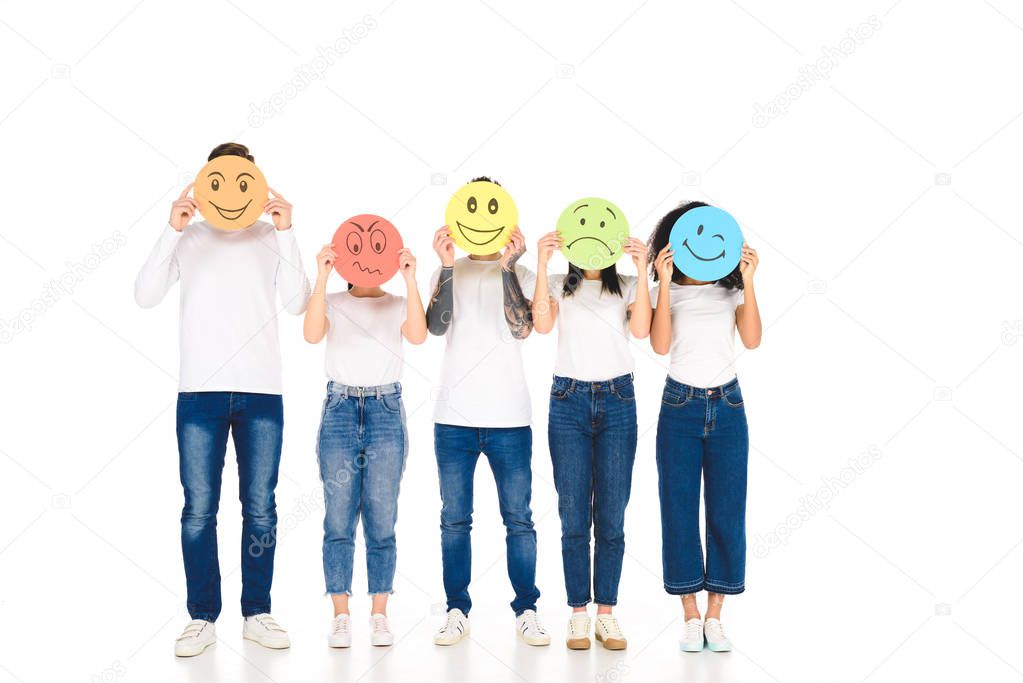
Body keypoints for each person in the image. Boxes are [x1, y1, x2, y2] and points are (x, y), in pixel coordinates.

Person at [134, 142, 310, 657]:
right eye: (221, 181)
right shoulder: (188, 238)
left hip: (262, 392)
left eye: (243, 182)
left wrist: (289, 230)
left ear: (256, 185)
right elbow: (144, 294)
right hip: (199, 393)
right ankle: (201, 618)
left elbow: (299, 304)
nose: (232, 192)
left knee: (261, 509)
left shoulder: (271, 236)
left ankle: (257, 612)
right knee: (198, 510)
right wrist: (171, 227)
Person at [426, 177, 550, 646]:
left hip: (510, 419)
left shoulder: (520, 274)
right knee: (454, 518)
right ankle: (456, 609)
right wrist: (443, 265)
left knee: (518, 517)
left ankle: (527, 609)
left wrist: (507, 268)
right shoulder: (449, 269)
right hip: (453, 418)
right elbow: (435, 327)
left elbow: (524, 330)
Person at [647, 201, 761, 653]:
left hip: (728, 404)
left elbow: (752, 340)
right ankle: (690, 615)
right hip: (680, 404)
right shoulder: (667, 293)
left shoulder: (729, 291)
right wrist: (666, 281)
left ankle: (716, 615)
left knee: (727, 509)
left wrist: (749, 282)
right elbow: (658, 345)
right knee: (677, 509)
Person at [303, 236, 426, 648]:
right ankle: (340, 616)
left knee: (381, 516)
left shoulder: (395, 303)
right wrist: (321, 275)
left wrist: (410, 281)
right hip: (339, 408)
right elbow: (311, 332)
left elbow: (419, 334)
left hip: (384, 409)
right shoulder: (334, 300)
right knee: (337, 518)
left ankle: (379, 614)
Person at [531, 232, 651, 650]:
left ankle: (606, 614)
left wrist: (641, 267)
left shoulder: (629, 286)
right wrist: (544, 262)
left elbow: (642, 329)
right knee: (573, 514)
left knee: (613, 515)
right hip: (568, 401)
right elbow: (542, 326)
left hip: (618, 400)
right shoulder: (559, 286)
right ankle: (578, 614)